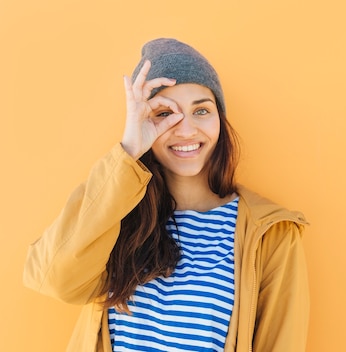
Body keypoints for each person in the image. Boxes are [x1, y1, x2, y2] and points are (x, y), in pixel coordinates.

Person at [23, 38, 309, 352]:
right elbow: (53, 278)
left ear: (220, 121)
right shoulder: (117, 214)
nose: (185, 130)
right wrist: (129, 151)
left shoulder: (270, 231)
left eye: (201, 110)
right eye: (164, 113)